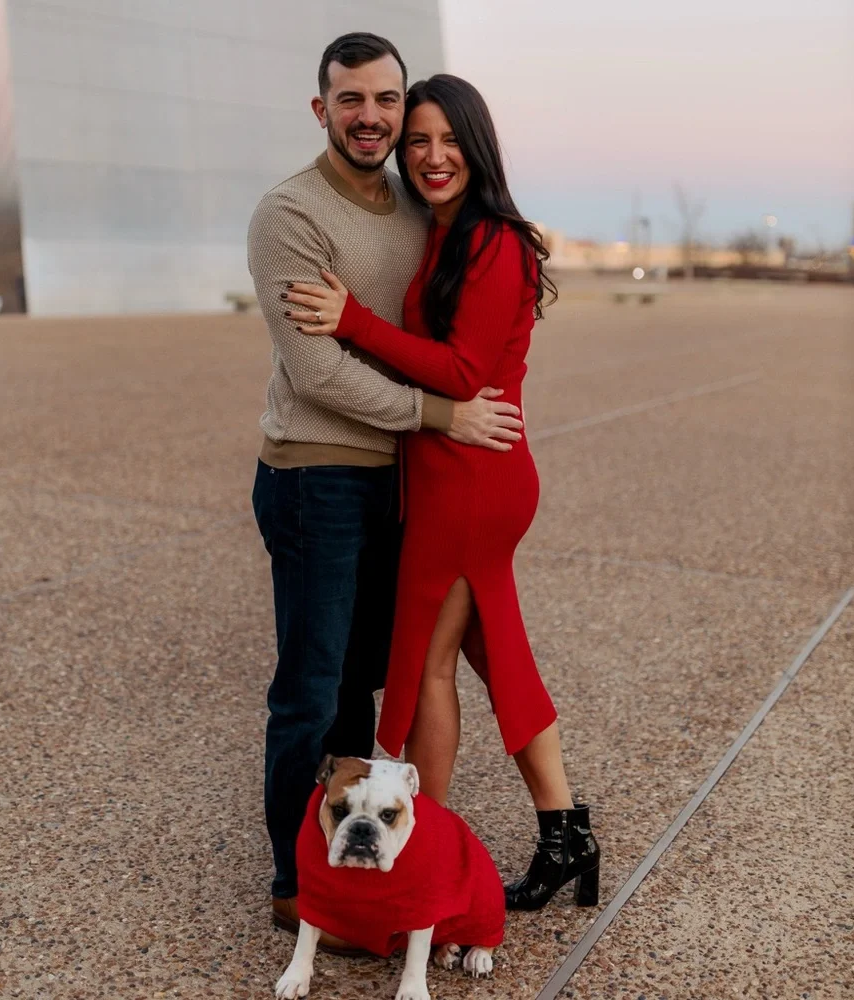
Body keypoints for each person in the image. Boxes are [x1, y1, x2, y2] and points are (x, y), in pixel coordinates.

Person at [284, 73, 601, 912]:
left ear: (477, 146)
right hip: (451, 472)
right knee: (495, 657)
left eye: (447, 141)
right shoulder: (447, 232)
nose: (429, 156)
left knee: (424, 665)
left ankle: (424, 853)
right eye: (417, 140)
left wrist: (351, 319)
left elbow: (462, 373)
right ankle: (566, 832)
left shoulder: (491, 240)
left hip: (474, 477)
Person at [247, 35, 525, 944]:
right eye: (350, 99)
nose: (371, 116)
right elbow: (320, 374)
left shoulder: (418, 207)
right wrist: (444, 417)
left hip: (395, 483)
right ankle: (299, 882)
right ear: (320, 108)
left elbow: (466, 327)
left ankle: (361, 858)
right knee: (313, 687)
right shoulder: (288, 214)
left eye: (387, 100)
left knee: (364, 688)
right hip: (316, 474)